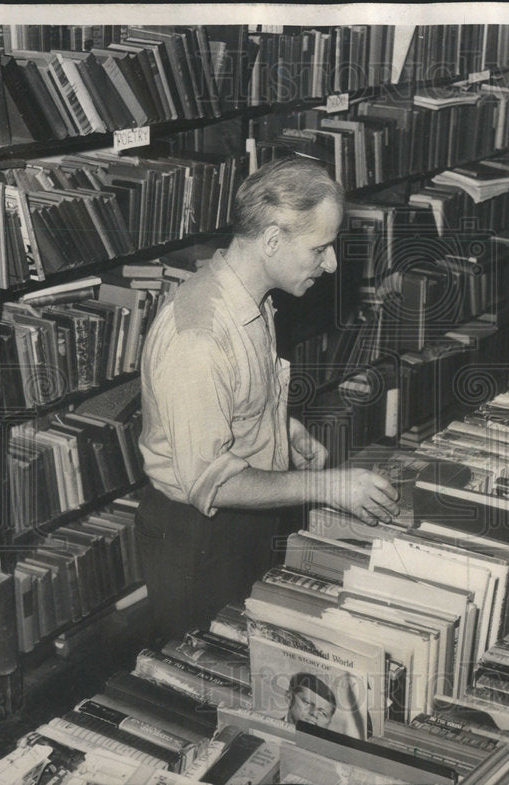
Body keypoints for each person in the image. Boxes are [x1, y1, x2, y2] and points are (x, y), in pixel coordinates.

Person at [136, 157, 399, 640]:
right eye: (320, 248)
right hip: (199, 537)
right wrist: (328, 488)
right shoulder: (200, 336)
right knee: (210, 682)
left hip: (244, 522)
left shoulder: (250, 298)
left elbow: (234, 402)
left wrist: (282, 429)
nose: (332, 263)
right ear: (273, 240)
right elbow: (211, 483)